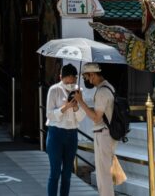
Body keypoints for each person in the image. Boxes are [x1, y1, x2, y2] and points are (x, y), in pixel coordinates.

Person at [74, 63, 116, 196]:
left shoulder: (102, 92)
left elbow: (97, 118)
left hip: (103, 134)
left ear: (92, 74)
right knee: (105, 172)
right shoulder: (108, 86)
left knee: (103, 175)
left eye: (86, 77)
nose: (86, 80)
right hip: (106, 133)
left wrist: (81, 102)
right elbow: (101, 113)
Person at [45, 64, 82, 196]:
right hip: (56, 133)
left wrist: (77, 106)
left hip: (72, 134)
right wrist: (65, 107)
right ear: (62, 77)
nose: (71, 82)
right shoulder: (54, 90)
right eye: (68, 79)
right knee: (55, 172)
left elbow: (81, 117)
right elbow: (49, 114)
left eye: (74, 79)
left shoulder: (78, 91)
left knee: (67, 174)